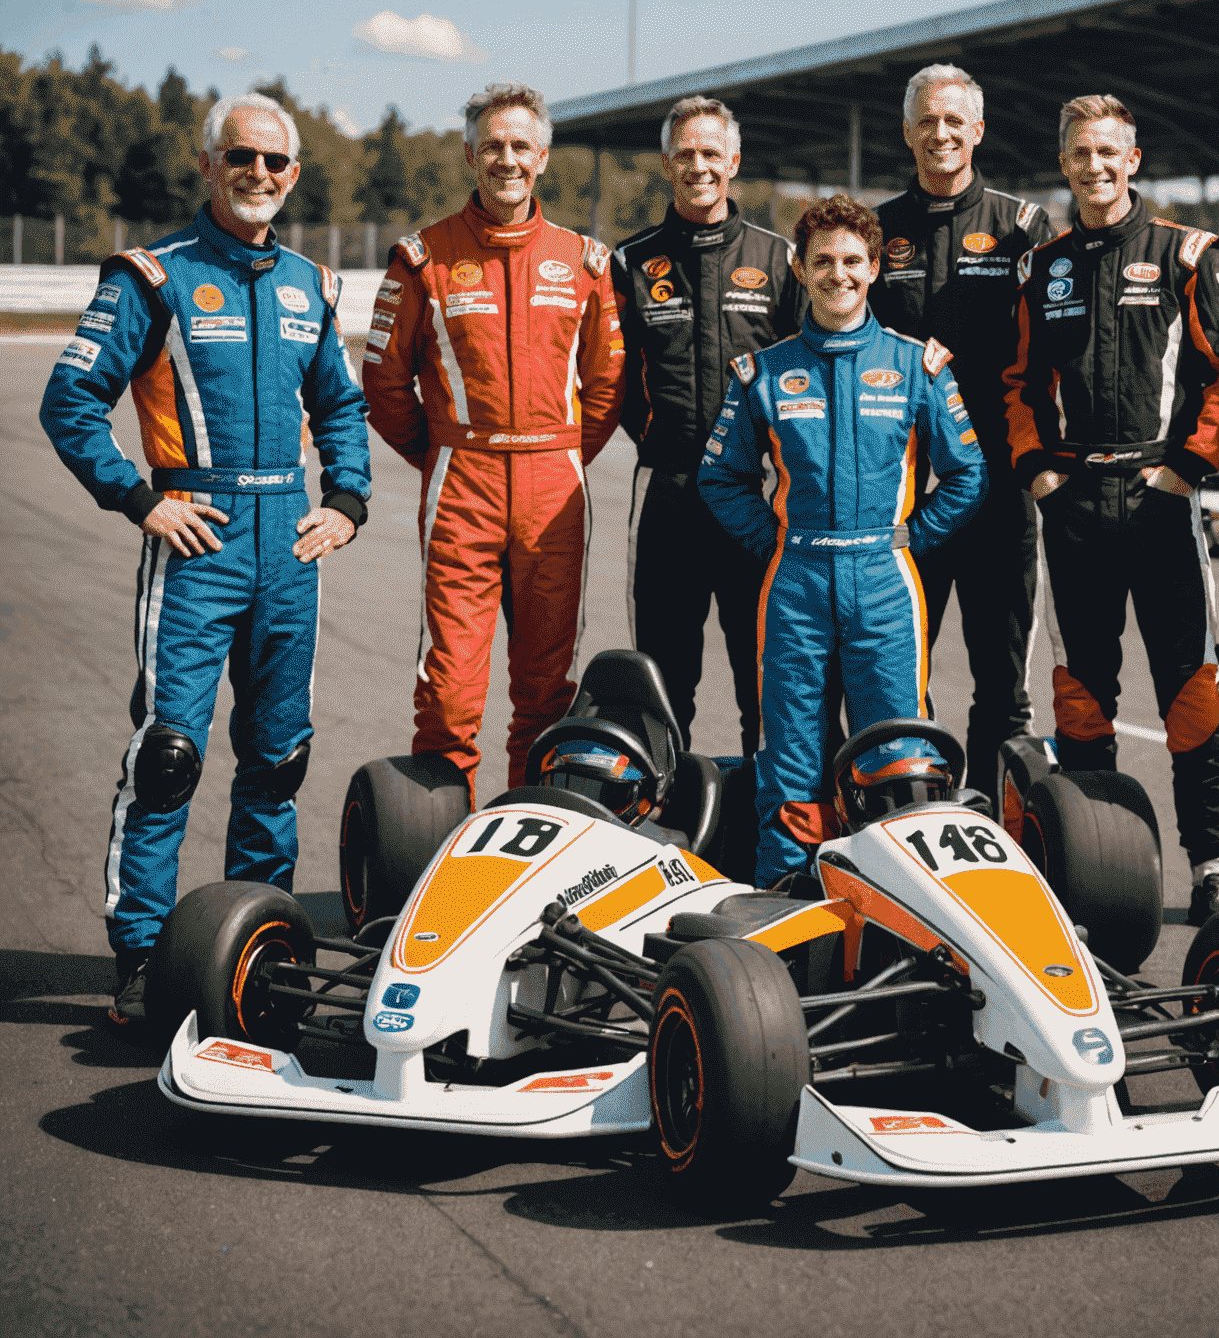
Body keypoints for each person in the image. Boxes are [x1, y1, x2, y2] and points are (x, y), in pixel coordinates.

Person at [39, 91, 371, 1027]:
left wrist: (346, 501)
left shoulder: (315, 284)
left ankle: (253, 947)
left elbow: (341, 408)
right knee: (169, 757)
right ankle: (141, 956)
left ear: (294, 175)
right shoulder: (154, 277)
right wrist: (140, 498)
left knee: (278, 759)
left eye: (274, 163)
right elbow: (71, 401)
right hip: (198, 543)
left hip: (289, 545)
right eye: (240, 158)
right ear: (207, 165)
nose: (258, 175)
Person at [1002, 93, 1219, 926]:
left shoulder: (1189, 253)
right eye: (1080, 154)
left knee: (1191, 692)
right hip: (1073, 503)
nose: (1096, 166)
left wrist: (1186, 470)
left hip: (1161, 502)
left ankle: (1214, 867)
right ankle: (1098, 868)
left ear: (1132, 160)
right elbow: (1020, 384)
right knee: (1081, 697)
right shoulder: (1044, 265)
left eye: (1110, 152)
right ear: (1064, 162)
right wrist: (1038, 472)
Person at [698, 194, 986, 886]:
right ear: (798, 269)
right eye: (823, 260)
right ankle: (788, 910)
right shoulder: (762, 372)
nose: (839, 273)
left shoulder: (919, 365)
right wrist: (773, 541)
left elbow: (967, 472)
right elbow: (719, 476)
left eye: (852, 260)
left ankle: (907, 911)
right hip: (795, 582)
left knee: (899, 762)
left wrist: (912, 536)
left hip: (885, 581)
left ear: (876, 268)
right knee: (792, 761)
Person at [363, 82, 624, 805]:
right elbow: (383, 384)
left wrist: (561, 453)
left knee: (544, 696)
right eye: (492, 147)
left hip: (553, 483)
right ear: (469, 155)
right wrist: (446, 455)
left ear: (542, 157)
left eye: (520, 147)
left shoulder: (585, 263)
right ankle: (441, 848)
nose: (506, 159)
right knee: (449, 697)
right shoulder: (423, 258)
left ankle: (525, 850)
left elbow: (607, 385)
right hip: (463, 479)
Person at [868, 64, 1054, 800]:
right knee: (896, 674)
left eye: (955, 121)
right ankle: (910, 812)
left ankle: (998, 824)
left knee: (1002, 684)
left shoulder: (1023, 226)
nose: (940, 134)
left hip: (1000, 491)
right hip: (904, 493)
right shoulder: (877, 232)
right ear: (907, 130)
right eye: (926, 121)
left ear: (978, 130)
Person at [614, 96, 804, 755]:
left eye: (711, 153)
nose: (700, 166)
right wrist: (659, 444)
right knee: (662, 685)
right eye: (686, 154)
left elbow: (807, 376)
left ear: (735, 161)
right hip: (666, 493)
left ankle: (774, 831)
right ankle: (665, 826)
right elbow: (612, 384)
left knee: (767, 677)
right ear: (668, 163)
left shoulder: (780, 259)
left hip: (755, 498)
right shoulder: (630, 262)